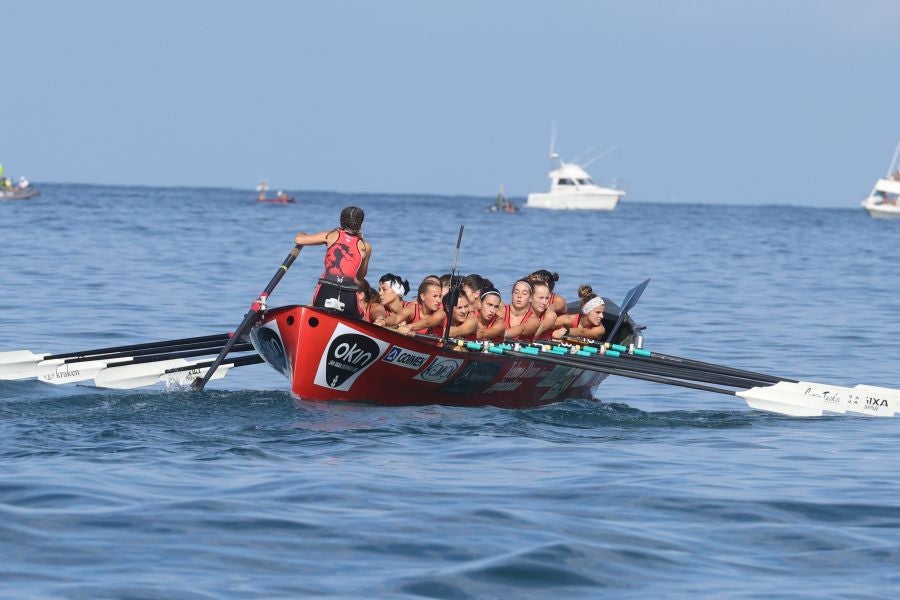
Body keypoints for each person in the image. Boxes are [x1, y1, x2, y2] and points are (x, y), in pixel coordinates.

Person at [294, 206, 371, 317]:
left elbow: (298, 239)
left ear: (341, 220)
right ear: (361, 224)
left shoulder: (330, 236)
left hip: (325, 291)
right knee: (361, 315)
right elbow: (360, 276)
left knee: (315, 308)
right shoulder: (365, 247)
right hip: (349, 297)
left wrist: (302, 233)